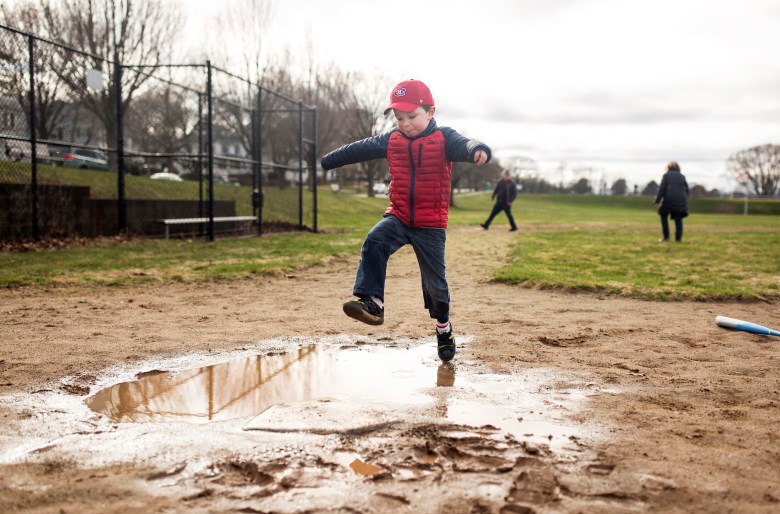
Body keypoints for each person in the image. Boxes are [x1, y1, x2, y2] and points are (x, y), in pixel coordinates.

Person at [320, 79, 491, 362]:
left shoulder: (444, 138)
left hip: (430, 224)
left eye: (412, 116)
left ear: (431, 111)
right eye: (399, 118)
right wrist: (329, 160)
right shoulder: (392, 140)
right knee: (375, 240)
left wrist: (477, 149)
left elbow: (464, 144)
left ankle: (443, 327)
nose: (406, 123)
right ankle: (373, 303)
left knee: (436, 285)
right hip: (398, 216)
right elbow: (358, 148)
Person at [653, 161, 689, 242]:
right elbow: (686, 190)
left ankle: (666, 237)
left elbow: (661, 189)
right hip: (680, 200)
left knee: (663, 216)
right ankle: (678, 239)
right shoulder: (682, 176)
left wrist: (657, 200)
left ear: (668, 167)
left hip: (668, 200)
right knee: (678, 219)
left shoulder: (666, 176)